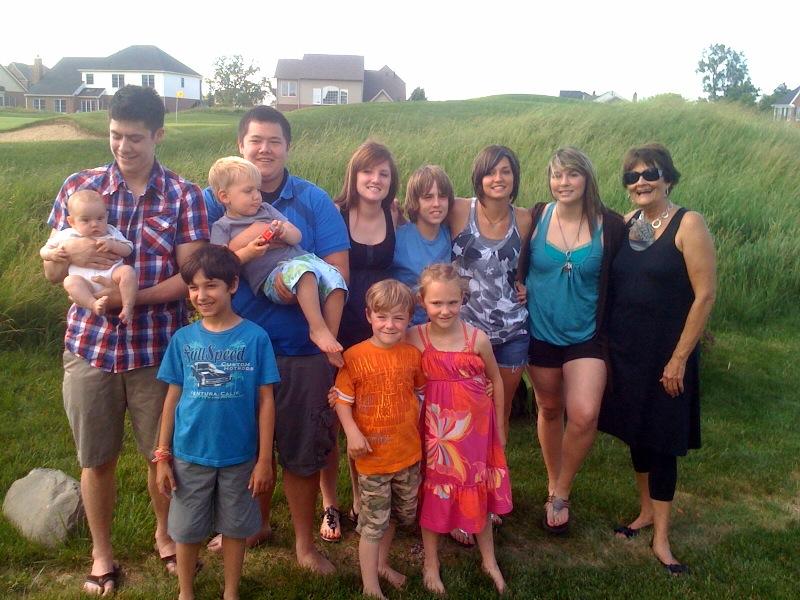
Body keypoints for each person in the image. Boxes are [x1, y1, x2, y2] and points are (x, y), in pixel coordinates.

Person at [42, 85, 208, 595]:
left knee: (162, 454)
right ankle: (101, 552)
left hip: (156, 349)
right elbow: (51, 273)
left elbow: (192, 277)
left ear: (158, 135)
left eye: (135, 137)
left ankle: (165, 536)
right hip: (90, 347)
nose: (123, 147)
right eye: (115, 135)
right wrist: (67, 260)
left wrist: (129, 298)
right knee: (96, 459)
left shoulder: (184, 195)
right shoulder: (80, 187)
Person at [203, 106, 348, 572]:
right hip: (237, 347)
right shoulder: (215, 200)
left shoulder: (312, 199)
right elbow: (204, 268)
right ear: (241, 145)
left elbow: (337, 269)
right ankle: (254, 524)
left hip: (301, 351)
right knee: (243, 446)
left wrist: (306, 294)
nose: (264, 149)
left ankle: (304, 545)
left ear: (287, 146)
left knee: (303, 451)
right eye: (255, 141)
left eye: (274, 141)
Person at [598, 143, 716, 574]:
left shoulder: (689, 224)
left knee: (663, 440)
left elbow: (705, 295)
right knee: (638, 433)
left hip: (667, 355)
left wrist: (680, 357)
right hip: (628, 352)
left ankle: (661, 538)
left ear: (668, 177)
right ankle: (645, 511)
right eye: (632, 176)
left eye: (650, 173)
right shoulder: (629, 223)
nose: (641, 182)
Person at [154, 245, 278, 600]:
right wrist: (162, 455)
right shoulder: (183, 339)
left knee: (236, 528)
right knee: (186, 530)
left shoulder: (256, 338)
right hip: (190, 454)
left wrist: (264, 459)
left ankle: (231, 591)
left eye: (211, 285)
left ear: (232, 285)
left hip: (240, 456)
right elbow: (172, 398)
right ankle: (186, 592)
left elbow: (266, 401)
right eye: (193, 287)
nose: (201, 295)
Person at [518, 147, 625, 534]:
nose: (564, 182)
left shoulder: (611, 225)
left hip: (587, 335)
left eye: (572, 174)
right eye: (557, 175)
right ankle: (552, 483)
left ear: (587, 178)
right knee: (549, 408)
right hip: (540, 332)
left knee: (583, 414)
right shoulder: (536, 217)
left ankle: (563, 491)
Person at [407, 263, 512, 595]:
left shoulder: (476, 339)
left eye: (452, 302)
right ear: (422, 301)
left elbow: (496, 380)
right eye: (436, 303)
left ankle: (489, 560)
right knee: (435, 490)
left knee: (476, 488)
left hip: (475, 433)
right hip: (436, 433)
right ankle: (431, 562)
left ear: (463, 299)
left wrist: (500, 427)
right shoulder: (415, 337)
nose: (445, 310)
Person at [333, 279, 425, 600]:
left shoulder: (412, 355)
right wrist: (352, 432)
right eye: (382, 316)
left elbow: (421, 392)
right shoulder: (354, 356)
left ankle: (383, 565)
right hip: (372, 459)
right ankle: (370, 585)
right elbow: (342, 401)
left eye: (398, 318)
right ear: (369, 315)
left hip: (407, 455)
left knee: (399, 516)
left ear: (409, 319)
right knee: (374, 523)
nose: (389, 324)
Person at [208, 156, 347, 367]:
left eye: (257, 190)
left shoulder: (266, 209)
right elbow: (219, 265)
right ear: (224, 196)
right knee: (304, 273)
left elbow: (296, 236)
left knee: (336, 281)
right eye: (248, 191)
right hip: (273, 276)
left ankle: (329, 338)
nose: (256, 196)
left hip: (302, 260)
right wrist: (248, 252)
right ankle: (317, 329)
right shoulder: (223, 226)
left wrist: (284, 231)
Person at [330, 141, 401, 533]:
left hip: (381, 327)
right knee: (342, 410)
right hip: (342, 323)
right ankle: (343, 498)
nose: (375, 179)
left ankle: (374, 489)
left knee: (373, 413)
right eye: (368, 171)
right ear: (354, 175)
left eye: (383, 173)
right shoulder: (336, 213)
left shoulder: (394, 214)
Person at [450, 145, 533, 443]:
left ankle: (496, 470)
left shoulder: (525, 219)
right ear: (479, 178)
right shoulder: (459, 210)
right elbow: (422, 219)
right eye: (490, 172)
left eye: (505, 171)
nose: (498, 178)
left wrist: (527, 284)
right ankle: (463, 467)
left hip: (511, 333)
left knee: (500, 410)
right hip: (465, 332)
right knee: (463, 409)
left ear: (515, 177)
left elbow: (534, 262)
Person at [40, 189, 138, 324]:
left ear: (107, 216)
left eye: (100, 218)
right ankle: (93, 304)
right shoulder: (67, 234)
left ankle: (127, 307)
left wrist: (113, 245)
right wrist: (52, 254)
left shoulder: (111, 231)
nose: (94, 224)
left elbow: (128, 248)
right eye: (85, 220)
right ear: (72, 221)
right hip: (85, 281)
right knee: (70, 282)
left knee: (127, 272)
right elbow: (44, 251)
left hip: (113, 275)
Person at [392, 165, 454, 326]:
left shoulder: (452, 234)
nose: (436, 203)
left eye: (442, 196)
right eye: (428, 197)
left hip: (444, 324)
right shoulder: (398, 238)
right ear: (415, 202)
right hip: (407, 327)